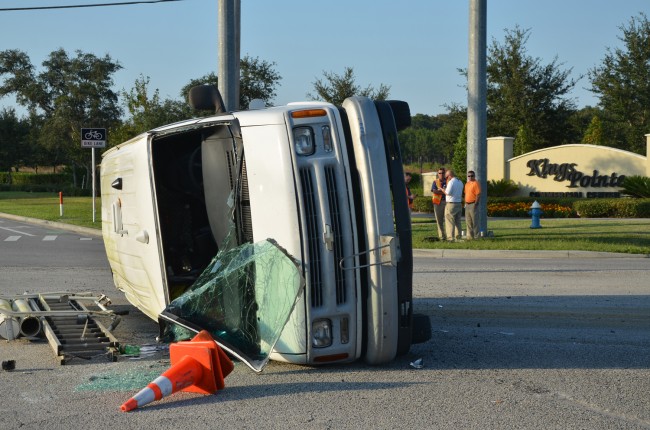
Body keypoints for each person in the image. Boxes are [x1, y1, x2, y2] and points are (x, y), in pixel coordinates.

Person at [443, 169, 463, 241]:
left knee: (449, 221)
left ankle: (450, 238)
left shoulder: (451, 182)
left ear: (449, 176)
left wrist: (443, 190)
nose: (446, 178)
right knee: (458, 221)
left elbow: (448, 193)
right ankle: (458, 236)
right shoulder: (460, 182)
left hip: (451, 204)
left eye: (446, 177)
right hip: (458, 203)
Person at [430, 167, 447, 240]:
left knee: (448, 220)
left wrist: (441, 191)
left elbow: (449, 191)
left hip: (446, 202)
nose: (441, 174)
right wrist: (444, 191)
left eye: (443, 173)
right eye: (440, 173)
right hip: (438, 203)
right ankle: (442, 236)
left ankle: (449, 235)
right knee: (439, 220)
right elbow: (434, 191)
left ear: (445, 173)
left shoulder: (448, 181)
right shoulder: (435, 182)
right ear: (438, 174)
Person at [464, 170, 481, 239]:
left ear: (474, 176)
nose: (470, 177)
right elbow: (466, 193)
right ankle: (470, 237)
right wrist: (465, 203)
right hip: (467, 204)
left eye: (472, 176)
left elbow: (478, 194)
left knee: (475, 222)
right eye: (469, 176)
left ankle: (477, 236)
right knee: (468, 222)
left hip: (473, 204)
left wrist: (476, 204)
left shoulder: (476, 183)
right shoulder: (467, 184)